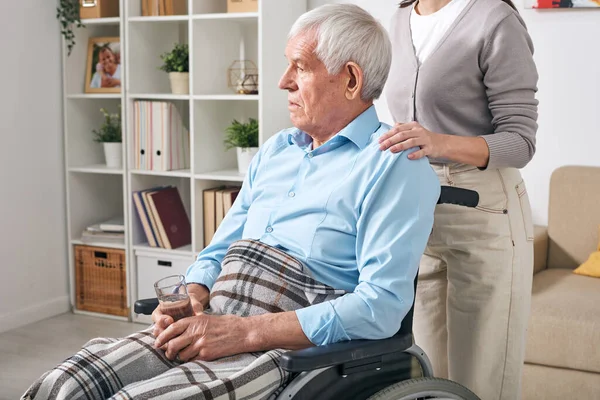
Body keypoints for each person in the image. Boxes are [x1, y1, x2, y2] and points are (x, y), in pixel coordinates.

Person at [23, 5, 440, 400]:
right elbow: (221, 248)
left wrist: (247, 332)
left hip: (280, 346)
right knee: (64, 384)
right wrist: (195, 293)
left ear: (350, 79)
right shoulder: (277, 150)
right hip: (214, 320)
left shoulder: (394, 165)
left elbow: (381, 306)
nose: (283, 81)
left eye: (300, 67)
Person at [379, 0, 538, 398]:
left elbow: (520, 142)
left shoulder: (494, 18)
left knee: (482, 381)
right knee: (433, 382)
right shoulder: (399, 20)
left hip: (485, 212)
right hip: (420, 214)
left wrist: (437, 142)